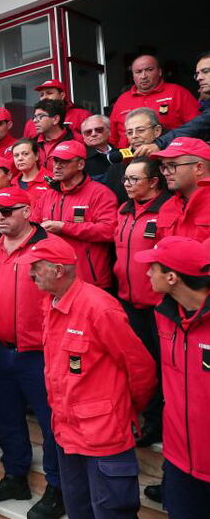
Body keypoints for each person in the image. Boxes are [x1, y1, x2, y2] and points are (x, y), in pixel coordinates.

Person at [18, 236, 156, 519]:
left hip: (104, 437)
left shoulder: (99, 308)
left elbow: (140, 367)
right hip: (68, 436)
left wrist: (124, 410)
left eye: (37, 267)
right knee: (79, 511)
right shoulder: (51, 304)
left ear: (58, 270)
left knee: (111, 512)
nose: (31, 273)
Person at [0, 188, 65, 518]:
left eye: (8, 211)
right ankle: (15, 477)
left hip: (39, 354)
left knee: (53, 423)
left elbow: (69, 298)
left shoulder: (50, 247)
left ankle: (58, 487)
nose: (0, 216)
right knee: (5, 418)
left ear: (27, 211)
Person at [135, 236, 210, 518]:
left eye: (152, 268)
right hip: (179, 460)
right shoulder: (164, 316)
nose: (146, 273)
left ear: (171, 277)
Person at [113, 157, 174, 447]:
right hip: (129, 300)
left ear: (153, 182)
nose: (127, 184)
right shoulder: (124, 210)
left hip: (158, 305)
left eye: (134, 179)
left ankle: (160, 423)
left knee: (162, 367)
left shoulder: (166, 210)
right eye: (125, 179)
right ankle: (146, 417)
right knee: (139, 365)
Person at [30, 140, 118, 290]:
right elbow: (32, 226)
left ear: (80, 165)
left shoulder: (100, 193)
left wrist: (64, 227)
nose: (57, 166)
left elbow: (109, 230)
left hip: (90, 283)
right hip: (55, 281)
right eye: (55, 161)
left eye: (64, 161)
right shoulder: (48, 196)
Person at [109, 54, 200, 148]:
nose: (143, 76)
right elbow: (112, 138)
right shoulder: (122, 100)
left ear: (159, 72)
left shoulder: (178, 93)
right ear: (133, 76)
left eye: (149, 70)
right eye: (138, 72)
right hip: (130, 159)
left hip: (170, 156)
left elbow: (197, 128)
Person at [135, 52, 210, 153]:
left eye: (205, 71)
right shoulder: (122, 99)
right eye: (197, 74)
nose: (199, 78)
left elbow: (197, 126)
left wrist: (159, 144)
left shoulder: (178, 92)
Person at [151, 137, 210, 242]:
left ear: (199, 168)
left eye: (172, 165)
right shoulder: (167, 207)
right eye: (164, 167)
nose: (165, 172)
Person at [22, 79, 91, 136]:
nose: (44, 97)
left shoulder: (81, 115)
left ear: (62, 95)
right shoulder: (31, 123)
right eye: (42, 95)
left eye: (49, 93)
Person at [33, 99, 77, 167]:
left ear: (55, 119)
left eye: (40, 116)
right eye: (35, 117)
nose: (34, 120)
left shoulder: (76, 141)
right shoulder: (32, 144)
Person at [10, 138, 52, 205]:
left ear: (36, 156)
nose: (20, 158)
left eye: (25, 154)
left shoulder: (51, 180)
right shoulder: (12, 183)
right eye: (16, 155)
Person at [79, 114, 114, 183]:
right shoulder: (81, 160)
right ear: (83, 137)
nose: (93, 134)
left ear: (109, 131)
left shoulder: (122, 153)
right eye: (88, 132)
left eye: (99, 130)